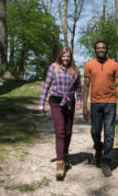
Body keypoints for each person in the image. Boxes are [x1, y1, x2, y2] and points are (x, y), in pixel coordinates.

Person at [38, 46, 82, 181]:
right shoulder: (54, 67)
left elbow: (79, 86)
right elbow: (46, 85)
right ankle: (59, 165)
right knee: (60, 131)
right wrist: (41, 103)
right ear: (60, 56)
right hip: (56, 101)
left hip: (69, 102)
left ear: (71, 57)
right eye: (64, 56)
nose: (66, 58)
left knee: (68, 132)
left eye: (68, 56)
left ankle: (65, 155)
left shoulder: (75, 69)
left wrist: (79, 99)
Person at [82, 40, 118, 178]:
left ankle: (106, 162)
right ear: (95, 50)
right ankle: (98, 147)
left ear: (106, 49)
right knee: (95, 131)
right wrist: (85, 106)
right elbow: (86, 86)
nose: (101, 50)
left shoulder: (114, 65)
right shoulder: (89, 65)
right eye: (98, 48)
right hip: (95, 104)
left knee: (109, 134)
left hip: (110, 103)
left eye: (103, 48)